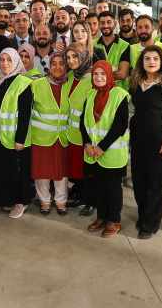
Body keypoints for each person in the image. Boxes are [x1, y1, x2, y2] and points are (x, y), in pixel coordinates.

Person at [129, 46, 162, 239]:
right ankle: (143, 216)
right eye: (147, 58)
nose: (151, 62)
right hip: (138, 140)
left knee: (156, 184)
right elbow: (132, 111)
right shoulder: (136, 83)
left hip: (159, 141)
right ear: (142, 61)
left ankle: (150, 224)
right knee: (140, 182)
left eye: (155, 59)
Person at [80, 61, 129, 238]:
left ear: (109, 75)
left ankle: (114, 220)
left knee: (113, 188)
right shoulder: (91, 94)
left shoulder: (120, 95)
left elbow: (120, 126)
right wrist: (87, 144)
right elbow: (83, 122)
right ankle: (102, 217)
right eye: (95, 74)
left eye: (103, 74)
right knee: (99, 186)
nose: (99, 78)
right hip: (93, 153)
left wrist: (101, 147)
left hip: (112, 153)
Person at [0, 48, 33, 219]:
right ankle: (8, 198)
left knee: (18, 170)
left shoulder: (23, 83)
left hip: (16, 137)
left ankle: (21, 201)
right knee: (5, 169)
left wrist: (20, 138)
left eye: (9, 60)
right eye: (2, 59)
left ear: (16, 62)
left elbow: (25, 114)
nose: (5, 64)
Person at [31, 51, 70, 217]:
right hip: (41, 136)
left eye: (62, 63)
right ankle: (44, 200)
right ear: (49, 66)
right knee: (42, 170)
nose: (58, 67)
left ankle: (61, 200)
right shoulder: (37, 84)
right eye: (54, 63)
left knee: (62, 170)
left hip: (63, 137)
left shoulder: (70, 84)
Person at [64, 43, 97, 217]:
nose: (71, 61)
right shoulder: (71, 75)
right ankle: (82, 197)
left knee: (90, 170)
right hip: (73, 133)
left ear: (84, 56)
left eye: (75, 56)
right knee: (81, 170)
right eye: (68, 57)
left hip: (88, 134)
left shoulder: (92, 78)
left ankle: (92, 201)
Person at [93, 11, 130, 88]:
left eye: (109, 22)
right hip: (97, 91)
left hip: (119, 93)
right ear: (99, 25)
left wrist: (98, 76)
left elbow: (122, 74)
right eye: (102, 23)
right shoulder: (92, 45)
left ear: (115, 24)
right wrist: (114, 72)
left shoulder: (124, 46)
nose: (106, 26)